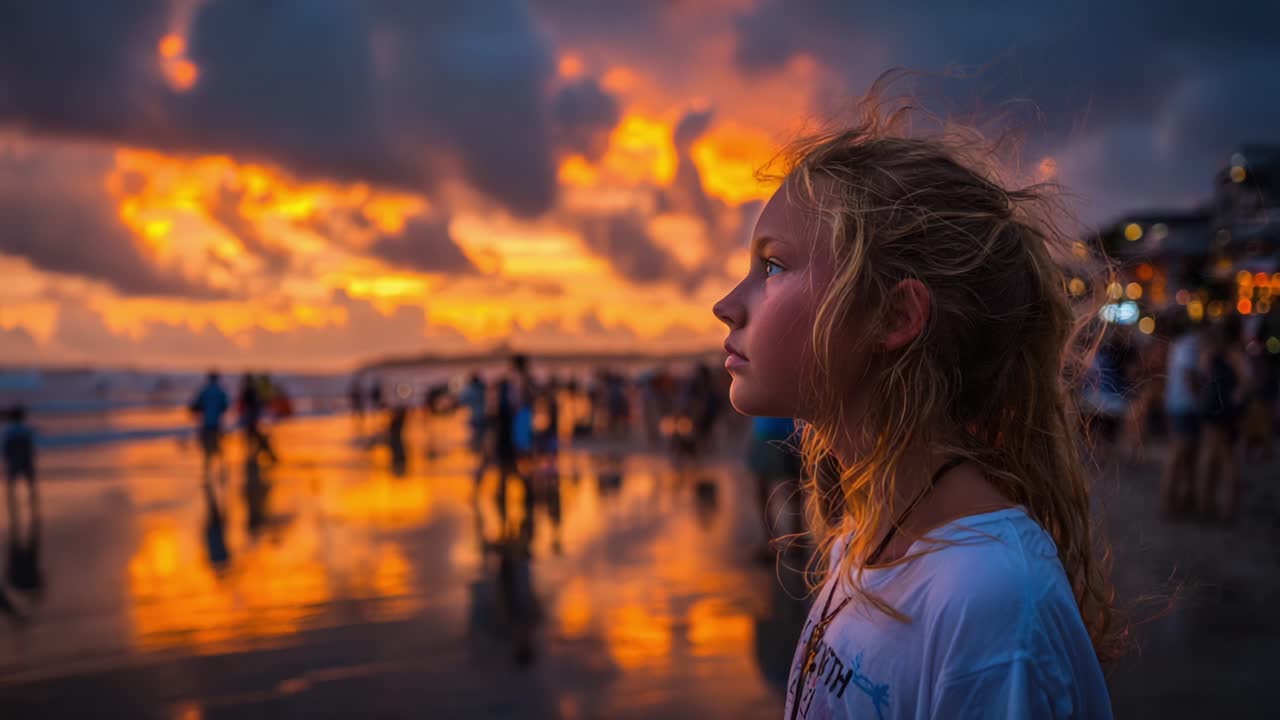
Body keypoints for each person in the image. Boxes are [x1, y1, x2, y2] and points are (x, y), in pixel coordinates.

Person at [712, 96, 1114, 719]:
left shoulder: (990, 604)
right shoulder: (867, 535)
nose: (727, 304)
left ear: (893, 316)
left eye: (772, 265)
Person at [1196, 320, 1251, 524]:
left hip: (1219, 411)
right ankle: (1216, 505)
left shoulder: (1226, 354)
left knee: (1220, 457)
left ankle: (1217, 505)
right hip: (1222, 411)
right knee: (1220, 457)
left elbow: (1204, 374)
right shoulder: (1229, 354)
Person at [1161, 321, 1202, 517]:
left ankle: (1182, 501)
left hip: (1178, 404)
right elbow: (1188, 376)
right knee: (1179, 454)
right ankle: (1170, 503)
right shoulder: (1189, 344)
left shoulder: (1180, 344)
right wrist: (1199, 400)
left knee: (1185, 456)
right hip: (1184, 406)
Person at [189, 371, 230, 479]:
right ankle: (222, 469)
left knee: (207, 448)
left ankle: (207, 472)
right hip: (217, 424)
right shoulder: (220, 391)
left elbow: (196, 405)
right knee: (219, 446)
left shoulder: (204, 391)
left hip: (206, 424)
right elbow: (225, 406)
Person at [3, 405, 37, 530]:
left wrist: (7, 458)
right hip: (25, 459)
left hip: (14, 460)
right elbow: (29, 445)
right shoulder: (25, 429)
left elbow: (7, 447)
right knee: (30, 482)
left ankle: (12, 504)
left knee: (12, 483)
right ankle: (32, 502)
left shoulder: (9, 431)